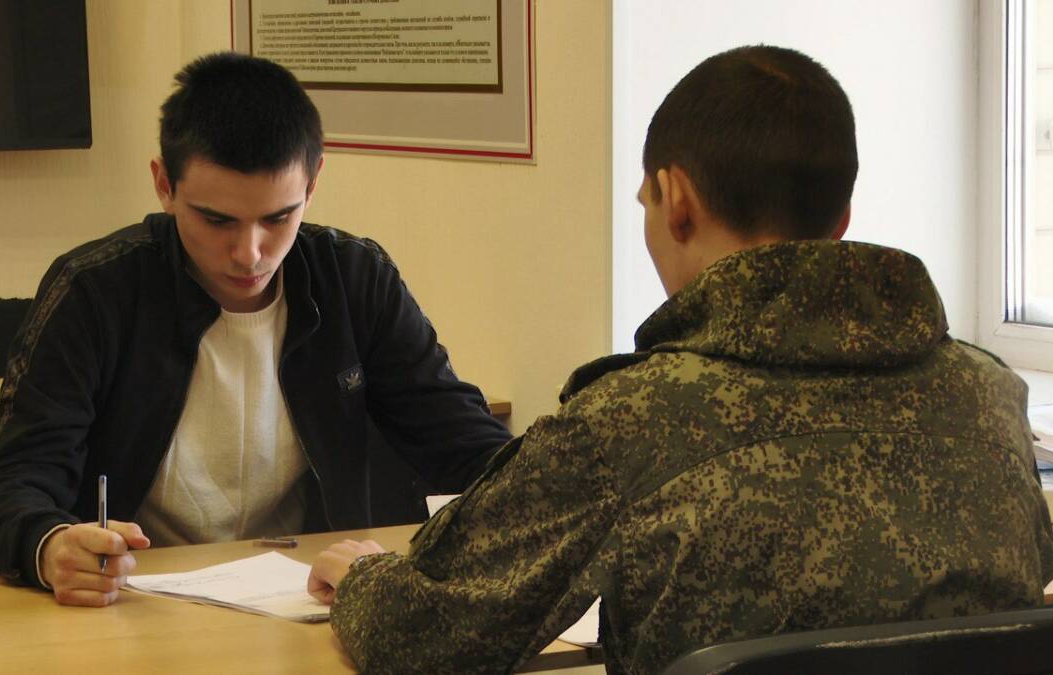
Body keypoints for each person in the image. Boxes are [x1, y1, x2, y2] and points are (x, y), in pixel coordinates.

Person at [307, 45, 1053, 673]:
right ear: (842, 220)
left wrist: (366, 578)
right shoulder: (989, 395)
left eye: (646, 203)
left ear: (677, 199)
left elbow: (425, 637)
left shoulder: (632, 417)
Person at [0, 52, 511, 607]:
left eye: (278, 218)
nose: (250, 253)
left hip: (306, 598)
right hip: (131, 601)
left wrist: (550, 486)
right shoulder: (95, 291)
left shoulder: (353, 279)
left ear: (312, 184)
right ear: (164, 184)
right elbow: (8, 482)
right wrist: (49, 544)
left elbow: (464, 443)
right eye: (216, 220)